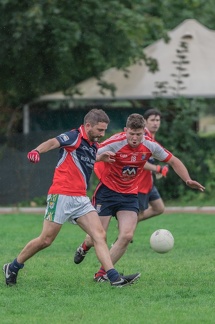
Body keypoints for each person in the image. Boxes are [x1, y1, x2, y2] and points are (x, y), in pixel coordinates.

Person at [3, 109, 141, 288]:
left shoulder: (93, 145)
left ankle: (114, 278)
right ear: (88, 125)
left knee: (99, 235)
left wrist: (100, 157)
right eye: (100, 130)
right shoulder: (74, 137)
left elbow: (84, 159)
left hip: (80, 199)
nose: (102, 134)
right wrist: (37, 150)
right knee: (46, 240)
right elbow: (53, 142)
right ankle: (13, 266)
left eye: (104, 130)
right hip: (61, 195)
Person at [73, 113, 205, 282]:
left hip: (129, 194)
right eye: (131, 134)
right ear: (125, 130)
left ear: (144, 132)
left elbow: (173, 160)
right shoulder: (114, 143)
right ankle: (84, 247)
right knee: (98, 236)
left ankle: (102, 275)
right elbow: (87, 155)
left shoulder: (150, 145)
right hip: (106, 192)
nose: (135, 138)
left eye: (139, 134)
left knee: (127, 235)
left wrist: (187, 180)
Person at [137, 108, 167, 223]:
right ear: (145, 121)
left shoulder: (151, 138)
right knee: (137, 215)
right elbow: (138, 161)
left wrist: (157, 170)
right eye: (152, 120)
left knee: (159, 208)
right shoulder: (142, 137)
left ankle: (127, 222)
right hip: (139, 183)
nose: (155, 123)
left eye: (158, 120)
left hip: (148, 183)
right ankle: (123, 235)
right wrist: (157, 168)